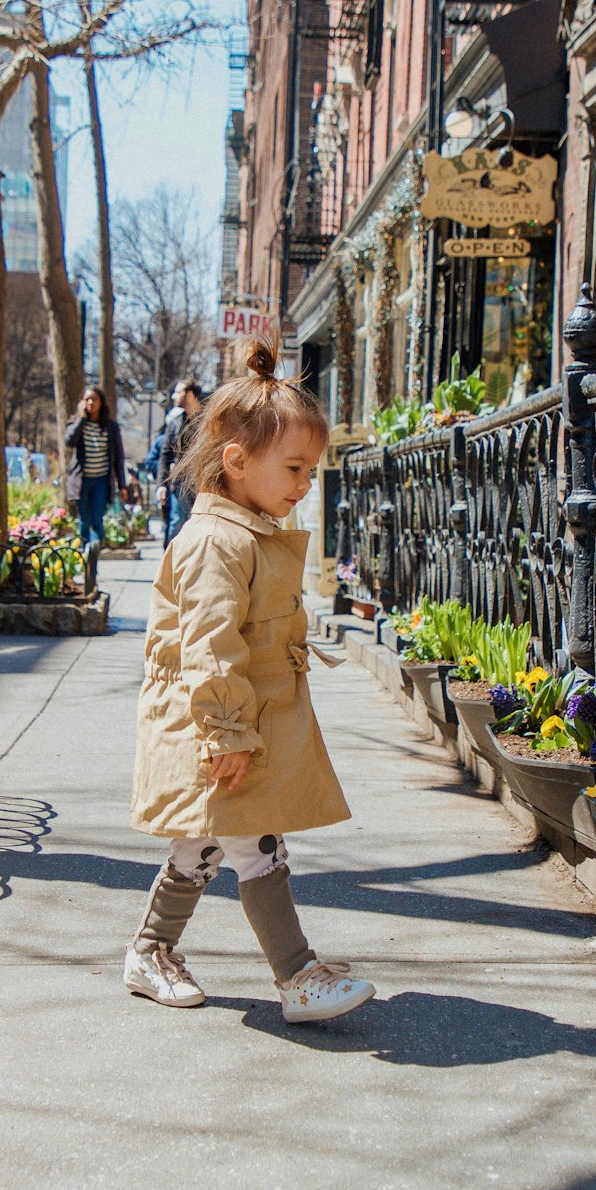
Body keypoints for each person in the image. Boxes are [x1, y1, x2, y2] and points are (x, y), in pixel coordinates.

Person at [125, 331, 376, 1024]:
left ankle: (150, 950)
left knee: (204, 841)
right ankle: (296, 977)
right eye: (293, 469)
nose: (304, 485)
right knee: (255, 842)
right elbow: (209, 646)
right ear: (235, 462)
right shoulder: (216, 541)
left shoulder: (247, 532)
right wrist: (226, 732)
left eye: (310, 471)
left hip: (243, 721)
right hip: (222, 726)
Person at [64, 385, 126, 548]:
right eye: (87, 399)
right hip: (82, 481)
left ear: (101, 402)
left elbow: (118, 458)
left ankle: (95, 555)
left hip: (101, 481)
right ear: (81, 403)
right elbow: (69, 441)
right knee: (84, 521)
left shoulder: (110, 427)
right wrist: (82, 418)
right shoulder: (75, 423)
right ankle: (86, 558)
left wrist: (122, 485)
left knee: (97, 519)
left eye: (94, 399)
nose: (90, 402)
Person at [156, 379, 202, 544]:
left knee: (198, 524)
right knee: (176, 523)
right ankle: (171, 565)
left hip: (201, 483)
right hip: (179, 483)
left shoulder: (207, 422)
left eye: (178, 392)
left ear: (189, 395)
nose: (174, 396)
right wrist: (162, 484)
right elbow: (165, 455)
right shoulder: (175, 423)